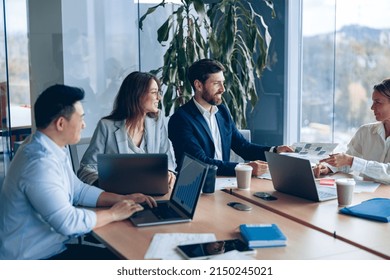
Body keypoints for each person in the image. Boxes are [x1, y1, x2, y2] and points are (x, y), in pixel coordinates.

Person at [0, 84, 156, 260]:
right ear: (61, 123)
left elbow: (78, 190)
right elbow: (68, 222)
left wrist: (123, 199)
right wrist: (113, 213)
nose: (84, 124)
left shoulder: (52, 146)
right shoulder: (39, 164)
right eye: (80, 118)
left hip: (53, 249)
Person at [168, 58, 293, 176]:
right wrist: (245, 168)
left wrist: (275, 151)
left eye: (223, 83)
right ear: (198, 85)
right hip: (196, 187)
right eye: (216, 83)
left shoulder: (222, 111)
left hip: (225, 183)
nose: (223, 89)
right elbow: (201, 162)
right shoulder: (180, 120)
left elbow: (243, 146)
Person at [77, 71, 176, 188]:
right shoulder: (106, 126)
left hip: (154, 192)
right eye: (154, 93)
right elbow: (86, 168)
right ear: (137, 95)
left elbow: (168, 159)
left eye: (158, 93)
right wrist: (109, 185)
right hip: (120, 197)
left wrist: (169, 173)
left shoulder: (157, 121)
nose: (159, 97)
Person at [315, 78, 390, 184]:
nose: (372, 107)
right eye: (373, 102)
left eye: (378, 102)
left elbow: (388, 171)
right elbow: (347, 163)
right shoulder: (365, 131)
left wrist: (351, 160)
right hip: (366, 196)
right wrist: (329, 167)